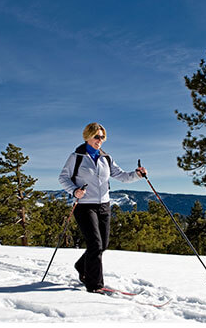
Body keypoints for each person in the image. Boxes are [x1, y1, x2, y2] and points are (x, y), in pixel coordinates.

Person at [58, 122, 147, 293]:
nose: (100, 140)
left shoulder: (106, 158)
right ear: (88, 137)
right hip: (84, 206)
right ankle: (94, 285)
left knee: (103, 244)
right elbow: (63, 178)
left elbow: (121, 176)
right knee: (95, 244)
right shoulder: (76, 157)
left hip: (104, 205)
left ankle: (81, 266)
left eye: (102, 137)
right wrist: (74, 191)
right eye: (97, 136)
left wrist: (137, 174)